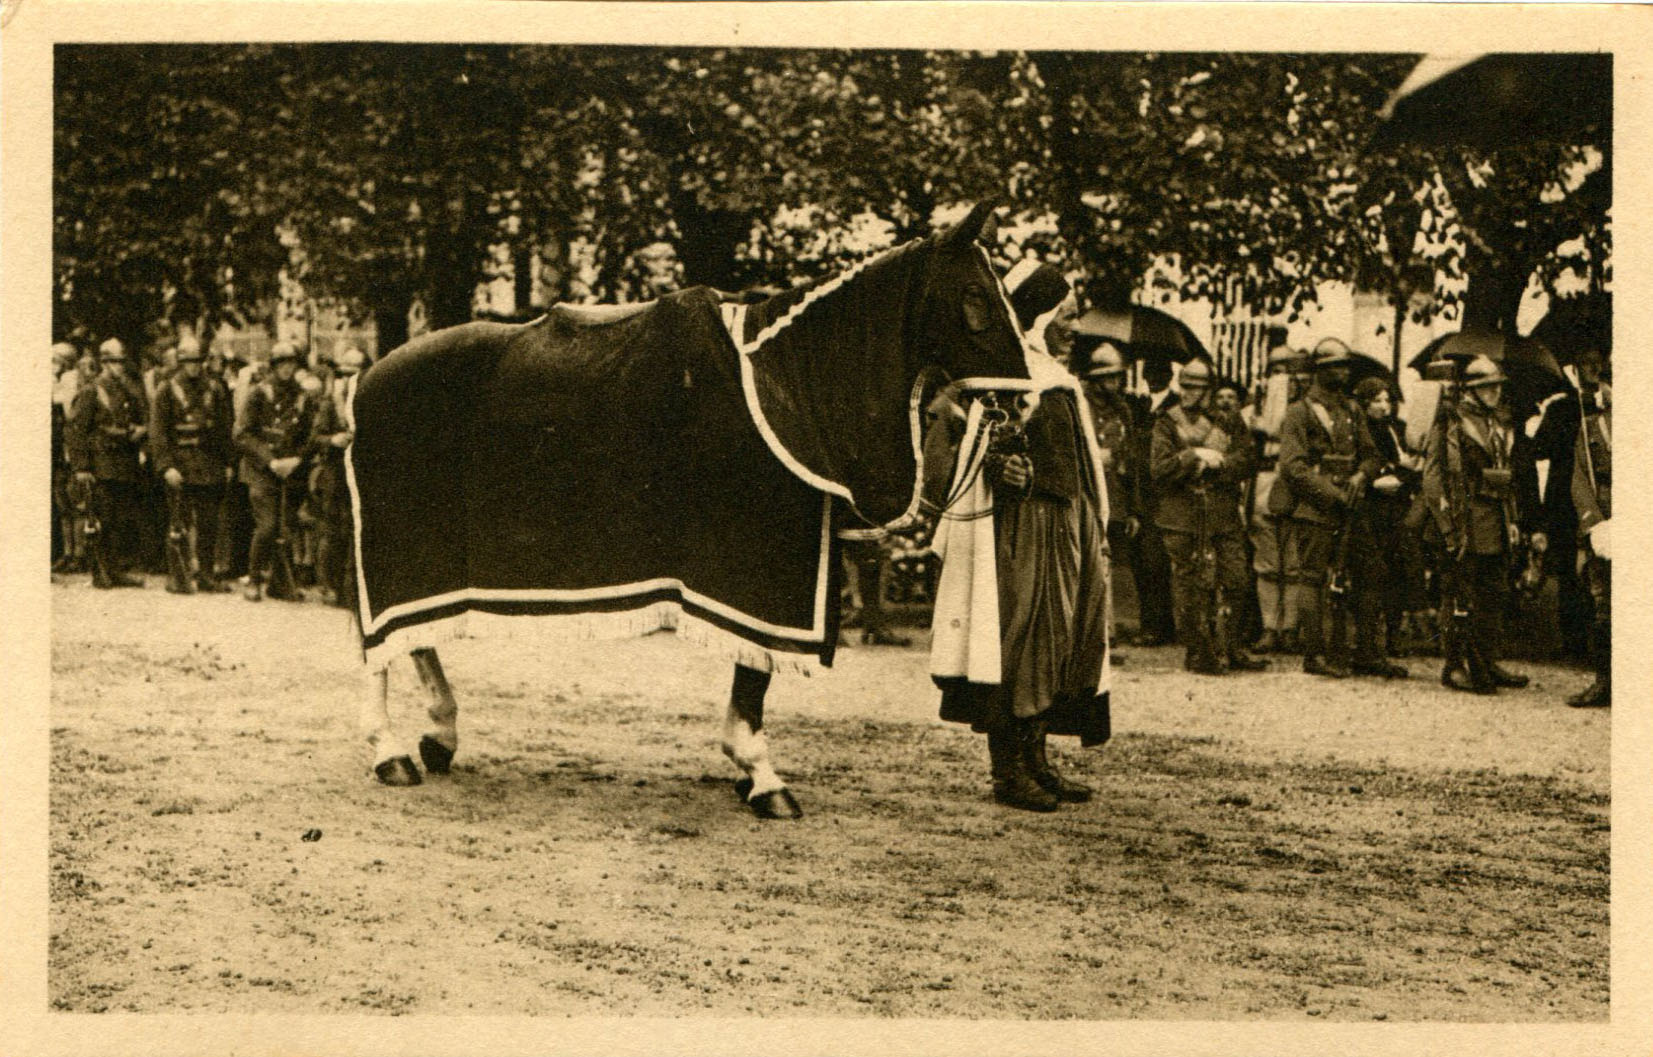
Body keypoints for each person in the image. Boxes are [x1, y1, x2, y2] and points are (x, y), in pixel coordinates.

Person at [926, 261, 1110, 813]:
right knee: (1019, 640)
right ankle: (1009, 771)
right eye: (1068, 317)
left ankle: (1037, 760)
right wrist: (1007, 468)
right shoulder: (1008, 373)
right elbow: (981, 439)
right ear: (1040, 317)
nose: (1075, 328)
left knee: (1060, 640)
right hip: (1024, 528)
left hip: (1067, 522)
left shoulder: (1055, 375)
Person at [1275, 338, 1386, 678]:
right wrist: (1332, 494)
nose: (1344, 372)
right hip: (1316, 507)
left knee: (1371, 572)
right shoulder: (1299, 412)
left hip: (1352, 504)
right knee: (1312, 579)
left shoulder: (1352, 410)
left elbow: (1371, 454)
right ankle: (1315, 653)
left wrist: (1361, 477)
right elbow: (1293, 467)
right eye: (1337, 367)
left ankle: (1366, 651)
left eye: (1345, 366)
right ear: (1321, 371)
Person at [1421, 355, 1531, 694]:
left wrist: (1512, 517)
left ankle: (1486, 659)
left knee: (1492, 594)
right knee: (1459, 594)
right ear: (1471, 389)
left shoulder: (1498, 421)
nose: (1494, 392)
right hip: (1463, 518)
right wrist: (1447, 525)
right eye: (1486, 387)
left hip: (1495, 518)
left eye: (1497, 385)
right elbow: (1433, 476)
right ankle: (1455, 665)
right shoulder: (1452, 420)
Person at [1150, 358, 1267, 674]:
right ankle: (1199, 652)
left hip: (1222, 513)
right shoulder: (1166, 422)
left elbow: (1247, 458)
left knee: (1236, 578)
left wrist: (1222, 465)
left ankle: (1233, 646)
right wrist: (1193, 456)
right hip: (1182, 515)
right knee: (1191, 585)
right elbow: (1159, 469)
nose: (1193, 394)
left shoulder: (1228, 421)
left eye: (1200, 388)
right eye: (1188, 386)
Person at [149, 339, 236, 593]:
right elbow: (158, 432)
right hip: (180, 464)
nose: (194, 367)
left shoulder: (215, 388)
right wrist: (166, 467)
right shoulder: (167, 389)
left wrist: (228, 461)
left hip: (209, 463)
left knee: (209, 523)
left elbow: (224, 428)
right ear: (180, 362)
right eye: (188, 362)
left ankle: (207, 574)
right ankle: (179, 574)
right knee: (179, 522)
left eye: (197, 361)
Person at [235, 341, 315, 601]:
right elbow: (243, 434)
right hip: (261, 469)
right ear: (274, 365)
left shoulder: (302, 396)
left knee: (286, 527)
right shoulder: (259, 393)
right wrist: (270, 461)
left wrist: (297, 460)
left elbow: (310, 435)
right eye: (282, 364)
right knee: (267, 526)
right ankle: (254, 578)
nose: (287, 369)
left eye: (291, 363)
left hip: (290, 470)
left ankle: (280, 583)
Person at [65, 338, 147, 588]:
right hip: (101, 464)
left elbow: (135, 418)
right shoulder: (92, 390)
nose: (119, 367)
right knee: (100, 519)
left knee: (119, 520)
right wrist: (81, 467)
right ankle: (99, 570)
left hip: (124, 463)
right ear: (104, 363)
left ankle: (115, 569)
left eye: (121, 362)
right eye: (114, 362)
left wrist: (138, 432)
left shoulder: (125, 390)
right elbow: (76, 430)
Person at [1077, 338, 1140, 656]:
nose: (1116, 383)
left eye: (1118, 377)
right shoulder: (1080, 406)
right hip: (1086, 494)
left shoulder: (1123, 411)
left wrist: (1132, 510)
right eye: (1110, 377)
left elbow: (1130, 463)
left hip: (1114, 496)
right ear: (1096, 379)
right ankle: (1096, 631)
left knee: (1109, 561)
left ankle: (1108, 629)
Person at [1248, 345, 1308, 653]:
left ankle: (1290, 628)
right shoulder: (1253, 410)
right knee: (1268, 562)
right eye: (1278, 371)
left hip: (1299, 486)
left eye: (1291, 372)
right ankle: (1269, 627)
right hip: (1264, 483)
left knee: (1295, 562)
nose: (1284, 379)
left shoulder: (1309, 410)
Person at [1566, 351, 1610, 708]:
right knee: (1603, 605)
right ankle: (1605, 681)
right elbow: (1580, 477)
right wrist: (1594, 523)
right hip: (1606, 519)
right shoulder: (1590, 423)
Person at [309, 346, 365, 607]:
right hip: (334, 471)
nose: (349, 379)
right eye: (345, 374)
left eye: (355, 373)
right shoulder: (331, 403)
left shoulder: (371, 401)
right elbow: (315, 437)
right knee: (331, 531)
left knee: (356, 530)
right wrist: (333, 439)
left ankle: (351, 588)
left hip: (361, 471)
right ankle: (328, 585)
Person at [1130, 357, 1179, 646]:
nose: (1153, 377)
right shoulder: (1137, 406)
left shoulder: (1175, 406)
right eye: (1149, 372)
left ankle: (1165, 624)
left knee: (1162, 561)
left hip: (1166, 491)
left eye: (1159, 371)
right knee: (1143, 563)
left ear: (1170, 374)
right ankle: (1151, 623)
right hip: (1143, 493)